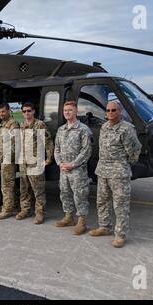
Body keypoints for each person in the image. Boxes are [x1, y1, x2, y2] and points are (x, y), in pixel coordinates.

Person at [89, 101, 142, 248]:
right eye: (108, 110)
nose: (110, 113)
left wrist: (123, 164)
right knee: (102, 201)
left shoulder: (127, 129)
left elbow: (135, 150)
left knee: (120, 205)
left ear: (120, 111)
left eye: (114, 110)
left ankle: (120, 234)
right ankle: (104, 227)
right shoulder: (104, 126)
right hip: (103, 171)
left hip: (119, 172)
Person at [54, 101, 92, 235]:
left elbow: (86, 151)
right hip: (63, 169)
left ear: (76, 111)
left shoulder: (83, 129)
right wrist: (59, 163)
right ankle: (68, 217)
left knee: (80, 195)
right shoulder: (61, 129)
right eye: (65, 110)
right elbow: (56, 149)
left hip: (77, 170)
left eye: (70, 110)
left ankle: (82, 222)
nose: (67, 113)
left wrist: (73, 164)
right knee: (65, 193)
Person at [16, 102, 54, 224]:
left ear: (33, 111)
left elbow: (48, 142)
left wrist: (49, 159)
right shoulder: (22, 125)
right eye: (24, 111)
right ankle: (25, 210)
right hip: (23, 163)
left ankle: (40, 213)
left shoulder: (39, 125)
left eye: (28, 110)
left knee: (38, 190)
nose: (26, 113)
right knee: (24, 189)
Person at [0, 103, 20, 220]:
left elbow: (14, 144)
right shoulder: (2, 124)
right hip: (3, 159)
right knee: (9, 184)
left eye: (3, 111)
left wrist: (7, 159)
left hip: (8, 160)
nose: (1, 114)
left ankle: (7, 209)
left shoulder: (13, 124)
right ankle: (13, 205)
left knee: (6, 185)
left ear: (8, 111)